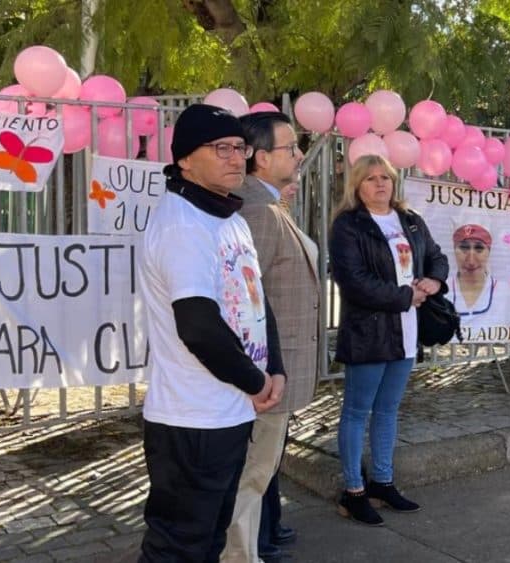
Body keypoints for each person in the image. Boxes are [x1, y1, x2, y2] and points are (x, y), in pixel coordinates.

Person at [137, 104, 285, 562]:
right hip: (191, 420)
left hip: (229, 412)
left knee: (210, 541)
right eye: (220, 148)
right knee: (178, 548)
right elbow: (198, 327)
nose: (235, 157)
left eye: (240, 147)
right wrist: (256, 381)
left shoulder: (229, 219)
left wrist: (274, 368)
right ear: (184, 158)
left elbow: (257, 303)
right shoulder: (183, 224)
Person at [328, 154, 448, 525]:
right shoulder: (348, 226)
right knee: (357, 411)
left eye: (386, 178)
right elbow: (353, 280)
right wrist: (403, 297)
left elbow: (437, 257)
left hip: (406, 332)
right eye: (371, 179)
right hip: (368, 332)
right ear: (357, 186)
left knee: (388, 410)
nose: (380, 184)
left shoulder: (410, 221)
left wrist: (434, 281)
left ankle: (382, 481)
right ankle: (353, 490)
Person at [221, 112, 319, 563]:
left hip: (271, 371)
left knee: (257, 473)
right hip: (264, 375)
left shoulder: (269, 203)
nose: (299, 155)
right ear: (261, 158)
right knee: (252, 475)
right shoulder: (257, 209)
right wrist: (262, 372)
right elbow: (243, 301)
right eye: (290, 148)